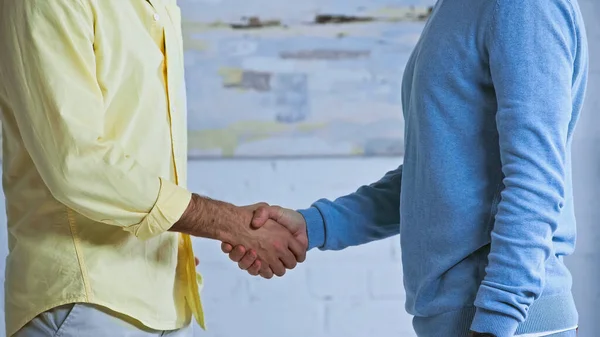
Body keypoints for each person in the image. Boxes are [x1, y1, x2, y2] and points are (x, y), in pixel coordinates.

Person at [222, 0, 588, 336]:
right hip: (461, 322)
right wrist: (314, 225)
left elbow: (536, 181)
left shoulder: (523, 6)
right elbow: (432, 177)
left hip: (505, 324)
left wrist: (495, 323)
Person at [0, 1, 304, 336]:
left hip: (165, 296)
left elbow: (139, 143)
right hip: (86, 302)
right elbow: (78, 163)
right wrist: (229, 223)